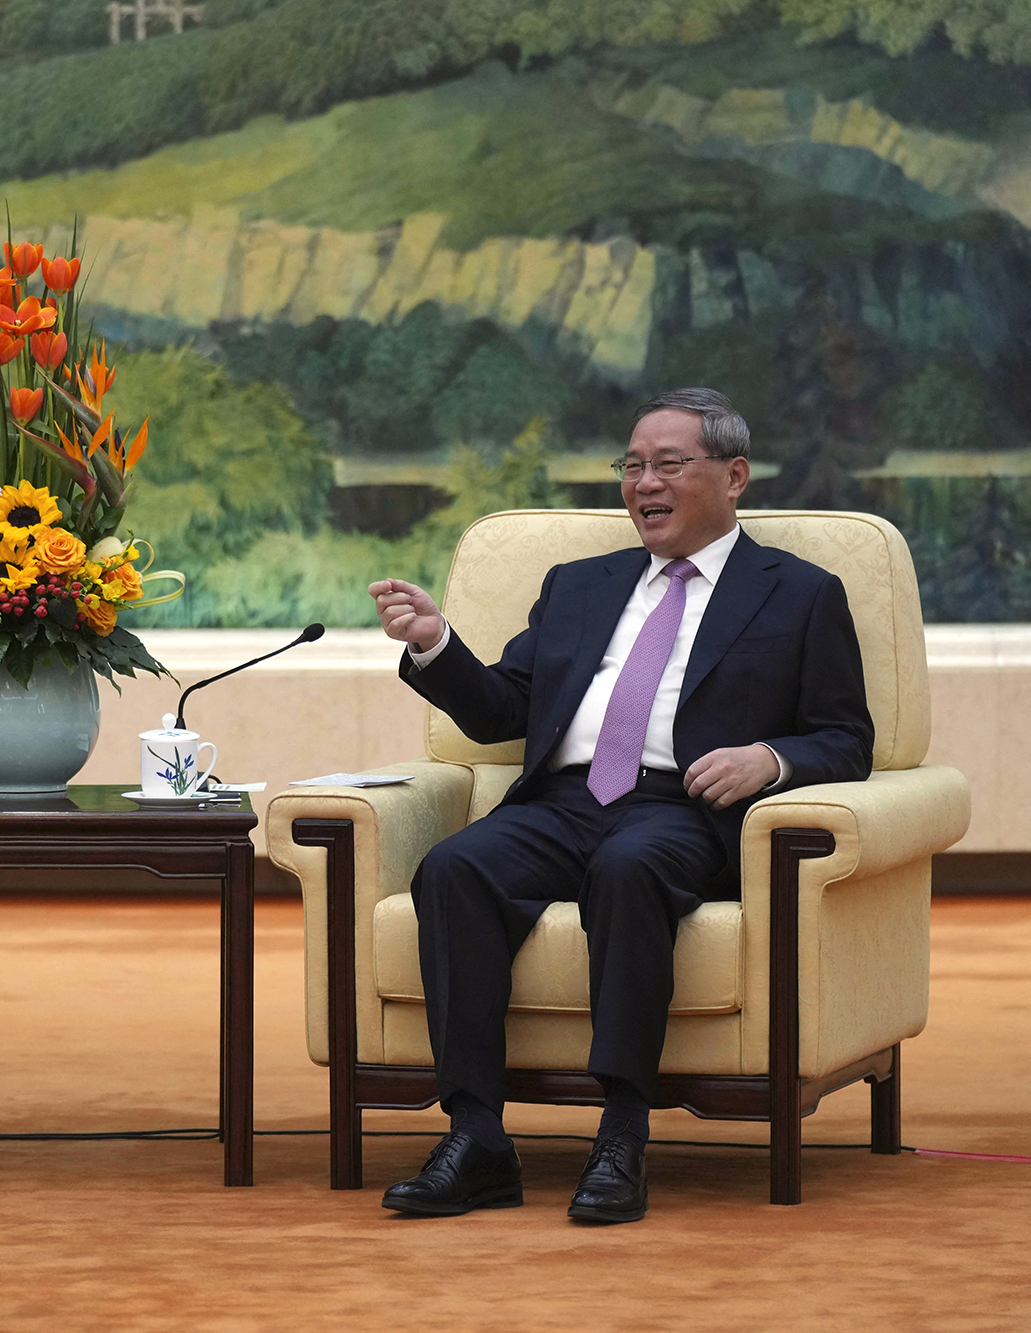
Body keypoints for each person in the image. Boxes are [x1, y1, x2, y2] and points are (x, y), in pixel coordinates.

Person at [367, 387, 873, 1224]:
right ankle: (477, 1137)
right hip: (562, 801)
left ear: (734, 476)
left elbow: (847, 737)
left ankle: (622, 1133)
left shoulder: (799, 592)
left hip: (682, 808)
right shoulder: (579, 585)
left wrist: (769, 759)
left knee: (628, 866)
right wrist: (436, 645)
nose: (644, 483)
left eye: (669, 464)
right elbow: (501, 711)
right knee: (454, 868)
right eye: (632, 466)